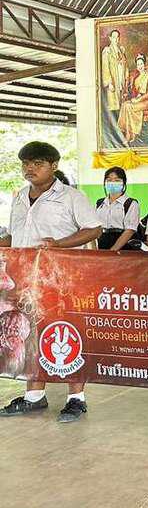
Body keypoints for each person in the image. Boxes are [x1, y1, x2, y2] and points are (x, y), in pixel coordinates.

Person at [0, 141, 102, 423]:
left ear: (53, 166)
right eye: (26, 164)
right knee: (31, 333)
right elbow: (15, 236)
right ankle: (34, 396)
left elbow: (94, 229)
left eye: (37, 163)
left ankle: (76, 399)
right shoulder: (20, 197)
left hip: (63, 278)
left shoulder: (71, 197)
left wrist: (60, 244)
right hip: (26, 278)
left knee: (67, 333)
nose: (30, 169)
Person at [96, 167, 140, 251]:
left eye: (117, 180)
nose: (112, 183)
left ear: (123, 183)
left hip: (123, 244)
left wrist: (113, 251)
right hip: (102, 242)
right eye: (109, 180)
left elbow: (130, 230)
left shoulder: (131, 203)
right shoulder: (100, 203)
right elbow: (96, 227)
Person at [100, 29, 128, 117]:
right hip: (113, 81)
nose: (116, 39)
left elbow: (125, 66)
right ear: (110, 38)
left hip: (121, 80)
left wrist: (126, 78)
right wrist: (109, 83)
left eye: (117, 37)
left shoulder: (121, 51)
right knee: (113, 107)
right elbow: (105, 67)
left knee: (121, 105)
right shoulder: (107, 51)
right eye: (114, 37)